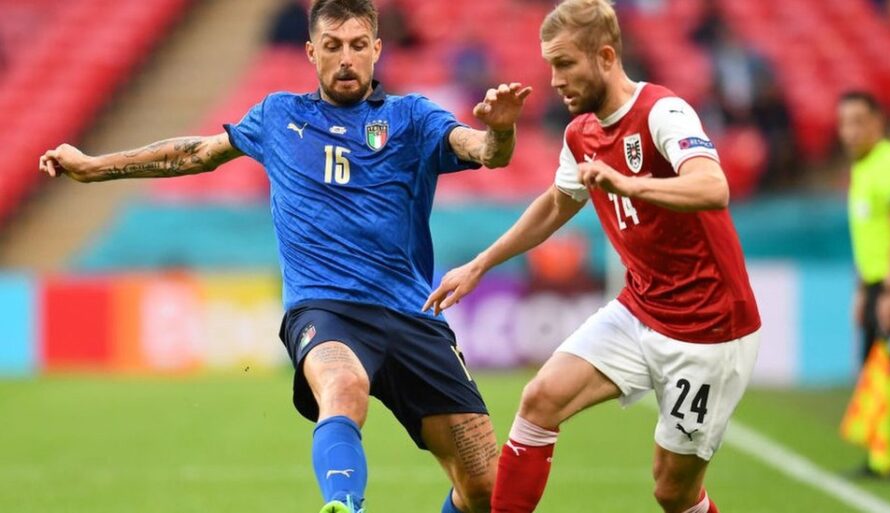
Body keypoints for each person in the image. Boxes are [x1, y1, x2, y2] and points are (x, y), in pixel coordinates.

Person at [38, 1, 532, 512]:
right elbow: (194, 154)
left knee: (485, 490)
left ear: (377, 50)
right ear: (311, 51)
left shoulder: (413, 118)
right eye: (334, 46)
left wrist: (502, 129)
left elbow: (487, 151)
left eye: (359, 46)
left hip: (412, 313)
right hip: (326, 309)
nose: (346, 58)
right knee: (343, 386)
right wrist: (95, 166)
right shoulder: (279, 115)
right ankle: (344, 505)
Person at [424, 1, 761, 512]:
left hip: (709, 328)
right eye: (549, 65)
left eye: (565, 64)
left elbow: (713, 186)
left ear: (605, 56)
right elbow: (558, 202)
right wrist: (480, 264)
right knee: (540, 401)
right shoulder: (580, 133)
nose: (554, 80)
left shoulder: (663, 112)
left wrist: (629, 182)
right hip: (642, 307)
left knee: (673, 492)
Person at [838, 90, 890, 476]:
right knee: (876, 366)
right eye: (844, 123)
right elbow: (871, 239)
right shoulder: (864, 168)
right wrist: (862, 290)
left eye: (857, 122)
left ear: (878, 123)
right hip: (873, 283)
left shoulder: (889, 167)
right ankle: (882, 459)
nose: (848, 132)